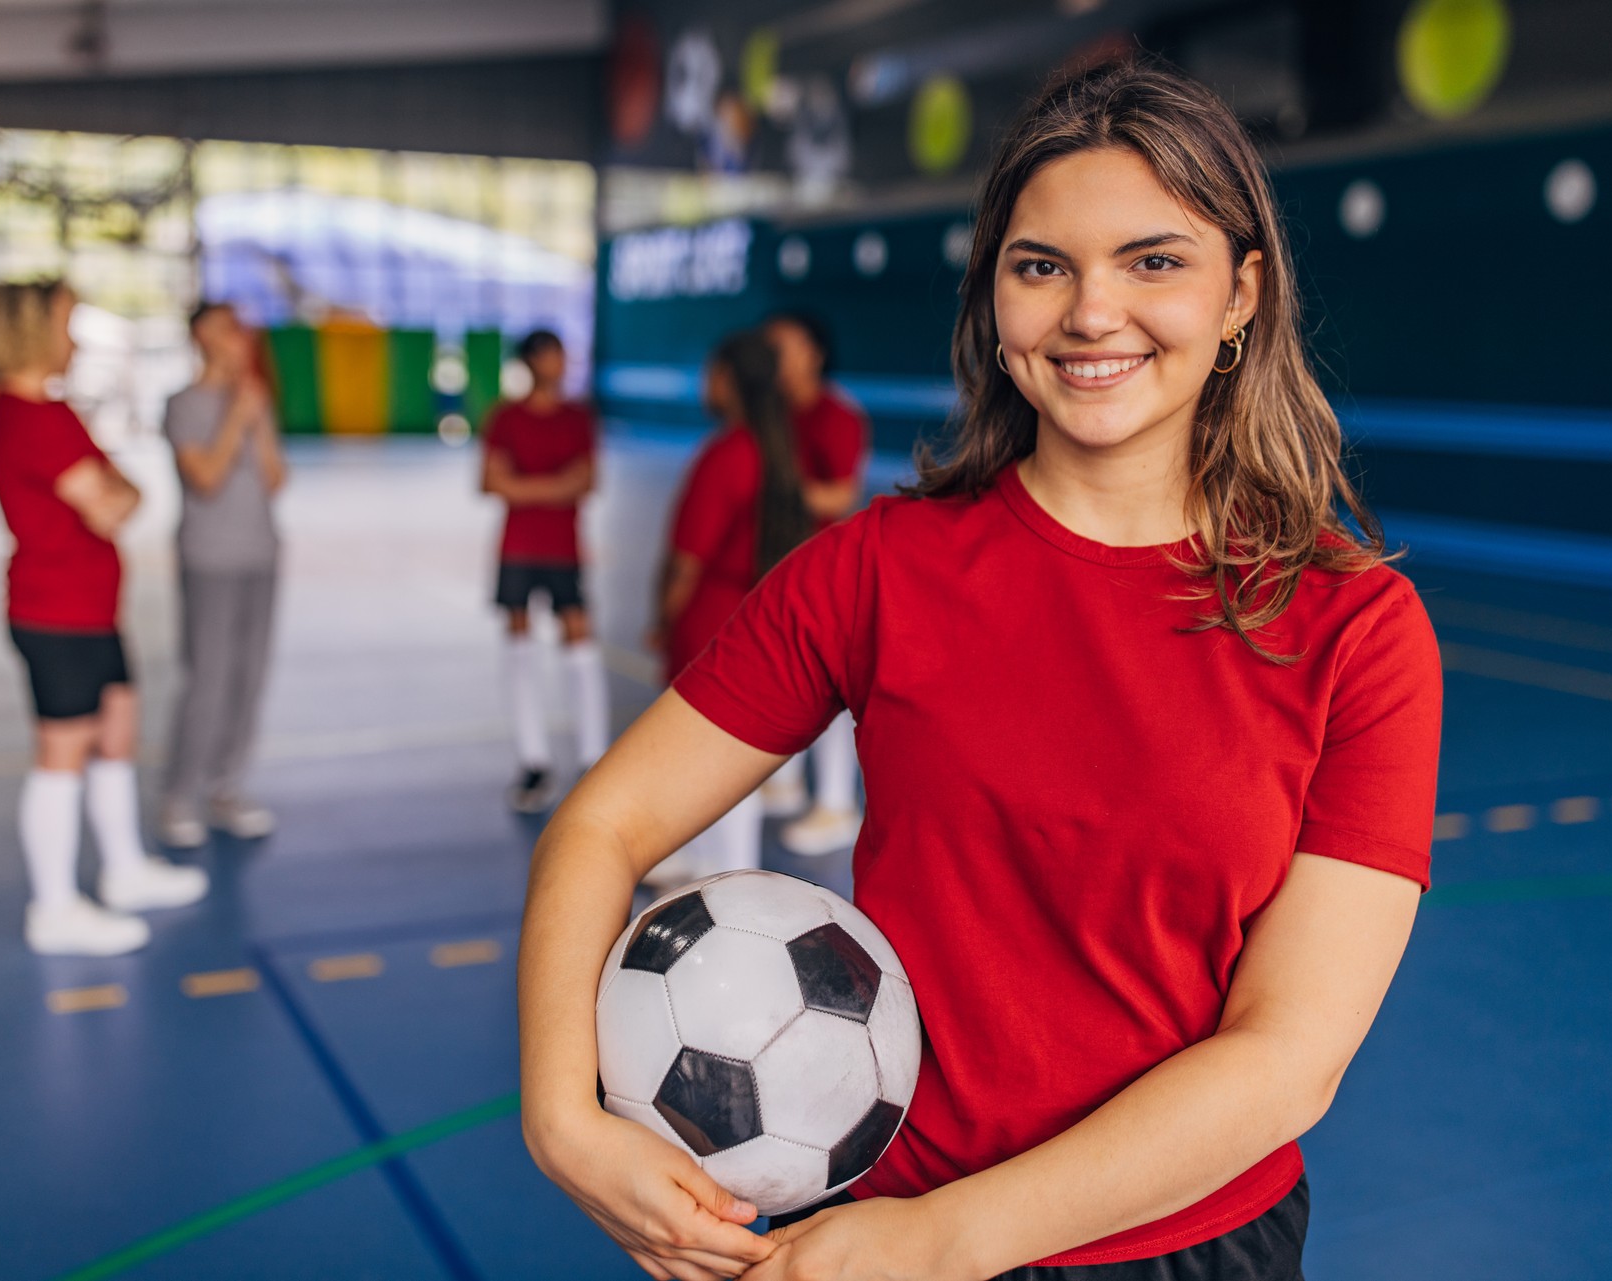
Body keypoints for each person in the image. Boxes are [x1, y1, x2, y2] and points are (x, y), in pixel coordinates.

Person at [517, 58, 1443, 1281]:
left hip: (1172, 1251)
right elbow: (604, 822)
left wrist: (946, 1242)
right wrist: (563, 1123)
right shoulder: (880, 572)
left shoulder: (1356, 630)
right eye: (1041, 265)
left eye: (1153, 260)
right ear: (995, 295)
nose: (1090, 312)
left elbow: (1290, 1053)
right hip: (877, 1226)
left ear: (1242, 295)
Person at [0, 279, 209, 958]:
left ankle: (125, 869)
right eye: (64, 325)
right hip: (55, 613)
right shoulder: (34, 420)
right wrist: (114, 489)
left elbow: (119, 492)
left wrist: (114, 488)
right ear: (31, 333)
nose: (71, 340)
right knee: (62, 754)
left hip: (92, 611)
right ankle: (55, 906)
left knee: (116, 734)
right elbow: (113, 504)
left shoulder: (52, 413)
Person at [642, 330, 813, 885]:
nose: (705, 384)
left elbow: (687, 558)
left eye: (712, 373)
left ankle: (727, 873)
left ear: (731, 380)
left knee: (706, 758)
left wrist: (663, 618)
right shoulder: (780, 449)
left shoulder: (727, 455)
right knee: (734, 754)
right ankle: (710, 860)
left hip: (711, 621)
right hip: (755, 615)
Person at [157, 302, 286, 848]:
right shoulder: (183, 405)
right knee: (207, 678)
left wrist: (256, 418)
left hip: (261, 554)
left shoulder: (254, 400)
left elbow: (276, 479)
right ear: (199, 337)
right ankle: (178, 794)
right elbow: (206, 477)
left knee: (248, 676)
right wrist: (236, 418)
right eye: (223, 327)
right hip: (210, 558)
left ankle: (226, 784)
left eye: (239, 327)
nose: (235, 337)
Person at [481, 329, 610, 814]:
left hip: (564, 550)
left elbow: (588, 480)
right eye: (551, 355)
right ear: (533, 361)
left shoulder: (579, 418)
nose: (559, 363)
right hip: (517, 548)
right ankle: (532, 759)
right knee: (518, 641)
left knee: (579, 638)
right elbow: (491, 480)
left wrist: (524, 487)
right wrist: (556, 486)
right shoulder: (506, 417)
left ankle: (592, 757)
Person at [759, 310, 869, 857]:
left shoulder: (836, 417)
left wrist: (774, 485)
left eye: (785, 346)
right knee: (778, 678)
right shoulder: (770, 417)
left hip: (825, 573)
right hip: (776, 568)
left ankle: (835, 804)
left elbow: (837, 498)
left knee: (831, 689)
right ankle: (783, 780)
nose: (773, 357)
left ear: (814, 354)